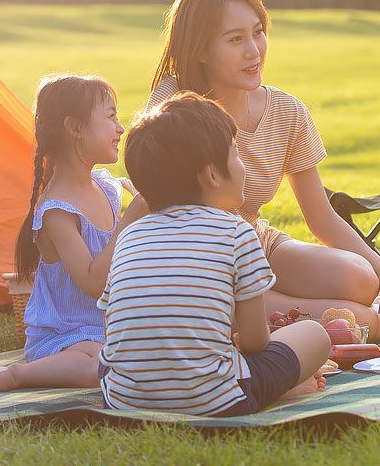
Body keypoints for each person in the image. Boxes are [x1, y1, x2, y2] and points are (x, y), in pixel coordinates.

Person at [141, 0, 380, 334]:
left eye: (258, 32)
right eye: (235, 39)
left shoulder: (287, 112)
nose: (254, 50)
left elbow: (321, 217)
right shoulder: (175, 106)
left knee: (362, 279)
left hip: (257, 243)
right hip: (203, 267)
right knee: (359, 323)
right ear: (201, 50)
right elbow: (153, 205)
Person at [101, 91, 330, 416]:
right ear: (210, 174)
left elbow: (114, 326)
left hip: (123, 398)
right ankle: (282, 387)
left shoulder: (129, 236)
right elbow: (254, 343)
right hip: (217, 399)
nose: (242, 166)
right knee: (314, 334)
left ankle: (270, 382)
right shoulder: (237, 232)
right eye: (236, 155)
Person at [0, 74, 134, 392]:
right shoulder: (57, 211)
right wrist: (129, 223)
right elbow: (91, 282)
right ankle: (19, 374)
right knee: (95, 368)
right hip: (67, 335)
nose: (120, 128)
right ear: (75, 127)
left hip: (107, 327)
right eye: (111, 117)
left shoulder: (105, 187)